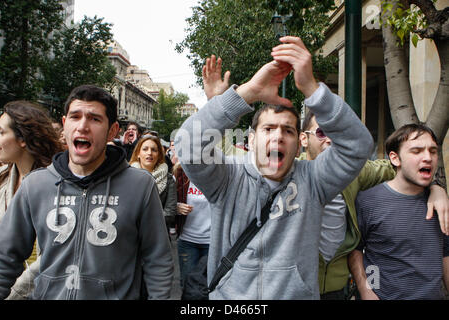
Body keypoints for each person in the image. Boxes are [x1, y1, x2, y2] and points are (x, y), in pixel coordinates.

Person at [175, 36, 374, 299]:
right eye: (268, 128)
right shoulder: (226, 178)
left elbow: (359, 145)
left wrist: (313, 89)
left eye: (288, 131)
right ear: (251, 139)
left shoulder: (314, 180)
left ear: (299, 143)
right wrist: (249, 91)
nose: (278, 136)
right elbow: (187, 145)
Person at [0, 85, 173, 300]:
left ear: (113, 130)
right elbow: (5, 257)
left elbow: (158, 260)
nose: (82, 126)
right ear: (64, 125)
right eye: (75, 117)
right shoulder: (36, 185)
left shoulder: (140, 185)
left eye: (94, 119)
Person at [298, 110, 449, 300]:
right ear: (304, 139)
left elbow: (403, 168)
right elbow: (361, 251)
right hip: (293, 288)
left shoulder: (356, 173)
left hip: (334, 290)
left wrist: (436, 187)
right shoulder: (290, 175)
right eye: (322, 133)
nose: (331, 140)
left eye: (338, 134)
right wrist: (368, 290)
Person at [348, 124, 449, 300]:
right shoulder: (367, 201)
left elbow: (446, 255)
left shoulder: (442, 205)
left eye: (433, 151)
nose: (428, 157)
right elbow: (357, 251)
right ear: (395, 158)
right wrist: (368, 290)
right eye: (416, 151)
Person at [0, 101, 64, 299]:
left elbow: (54, 253)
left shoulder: (57, 186)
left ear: (22, 140)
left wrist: (15, 291)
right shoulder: (2, 177)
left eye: (1, 132)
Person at [174, 162, 212, 289]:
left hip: (212, 242)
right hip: (187, 241)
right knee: (187, 285)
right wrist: (176, 207)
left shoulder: (217, 175)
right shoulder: (181, 173)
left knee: (211, 286)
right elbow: (166, 202)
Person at [129, 134, 177, 233]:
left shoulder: (168, 179)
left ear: (159, 155)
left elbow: (170, 213)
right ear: (138, 153)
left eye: (154, 150)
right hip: (129, 235)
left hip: (157, 235)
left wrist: (141, 221)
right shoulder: (126, 177)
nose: (149, 153)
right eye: (145, 149)